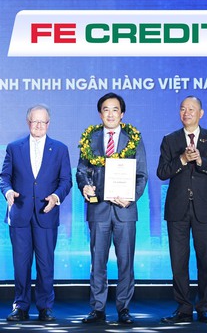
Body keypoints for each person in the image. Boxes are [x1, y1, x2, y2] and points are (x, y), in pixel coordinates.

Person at [75, 92, 148, 325]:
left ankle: (123, 308)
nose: (110, 114)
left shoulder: (133, 138)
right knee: (98, 262)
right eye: (106, 109)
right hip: (98, 210)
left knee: (126, 262)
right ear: (100, 113)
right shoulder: (91, 138)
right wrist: (85, 186)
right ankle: (97, 308)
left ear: (122, 113)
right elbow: (81, 170)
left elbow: (141, 175)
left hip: (125, 210)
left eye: (115, 109)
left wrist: (131, 197)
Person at [156, 95, 207, 324]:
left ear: (201, 113)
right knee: (178, 262)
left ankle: (204, 307)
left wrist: (201, 161)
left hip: (204, 210)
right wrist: (182, 159)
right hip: (177, 210)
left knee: (205, 261)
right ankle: (183, 308)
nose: (186, 113)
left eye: (191, 109)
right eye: (182, 109)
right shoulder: (170, 140)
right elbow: (162, 172)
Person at [0, 104, 72, 322]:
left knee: (45, 264)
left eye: (43, 121)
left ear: (48, 124)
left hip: (46, 213)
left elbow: (66, 180)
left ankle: (45, 307)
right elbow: (4, 177)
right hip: (20, 213)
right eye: (35, 121)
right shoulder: (14, 148)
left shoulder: (60, 149)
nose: (39, 125)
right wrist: (8, 191)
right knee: (21, 264)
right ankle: (20, 306)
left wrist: (56, 197)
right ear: (28, 122)